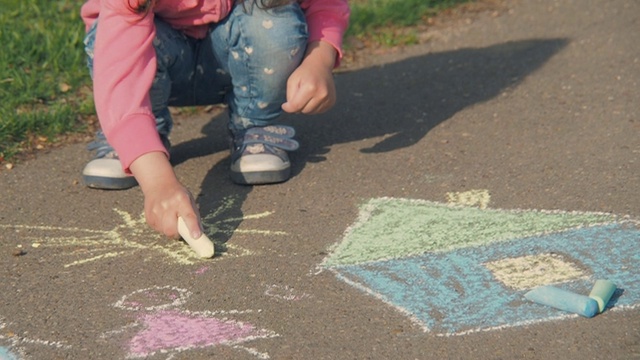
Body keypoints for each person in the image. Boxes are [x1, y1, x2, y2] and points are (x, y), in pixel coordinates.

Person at [80, 0, 350, 239]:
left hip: (240, 55)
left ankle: (254, 124)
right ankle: (138, 139)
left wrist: (320, 60)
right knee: (106, 35)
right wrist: (158, 182)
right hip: (155, 60)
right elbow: (120, 72)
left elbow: (324, 3)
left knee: (275, 16)